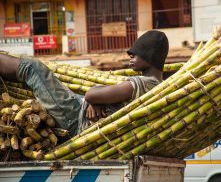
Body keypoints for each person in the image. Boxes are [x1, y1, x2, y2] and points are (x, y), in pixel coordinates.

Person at [0, 30, 169, 140]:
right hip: (79, 115)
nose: (131, 56)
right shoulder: (156, 87)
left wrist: (95, 99)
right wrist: (97, 100)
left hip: (74, 118)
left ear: (150, 55)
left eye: (136, 54)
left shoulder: (138, 84)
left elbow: (91, 95)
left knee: (32, 67)